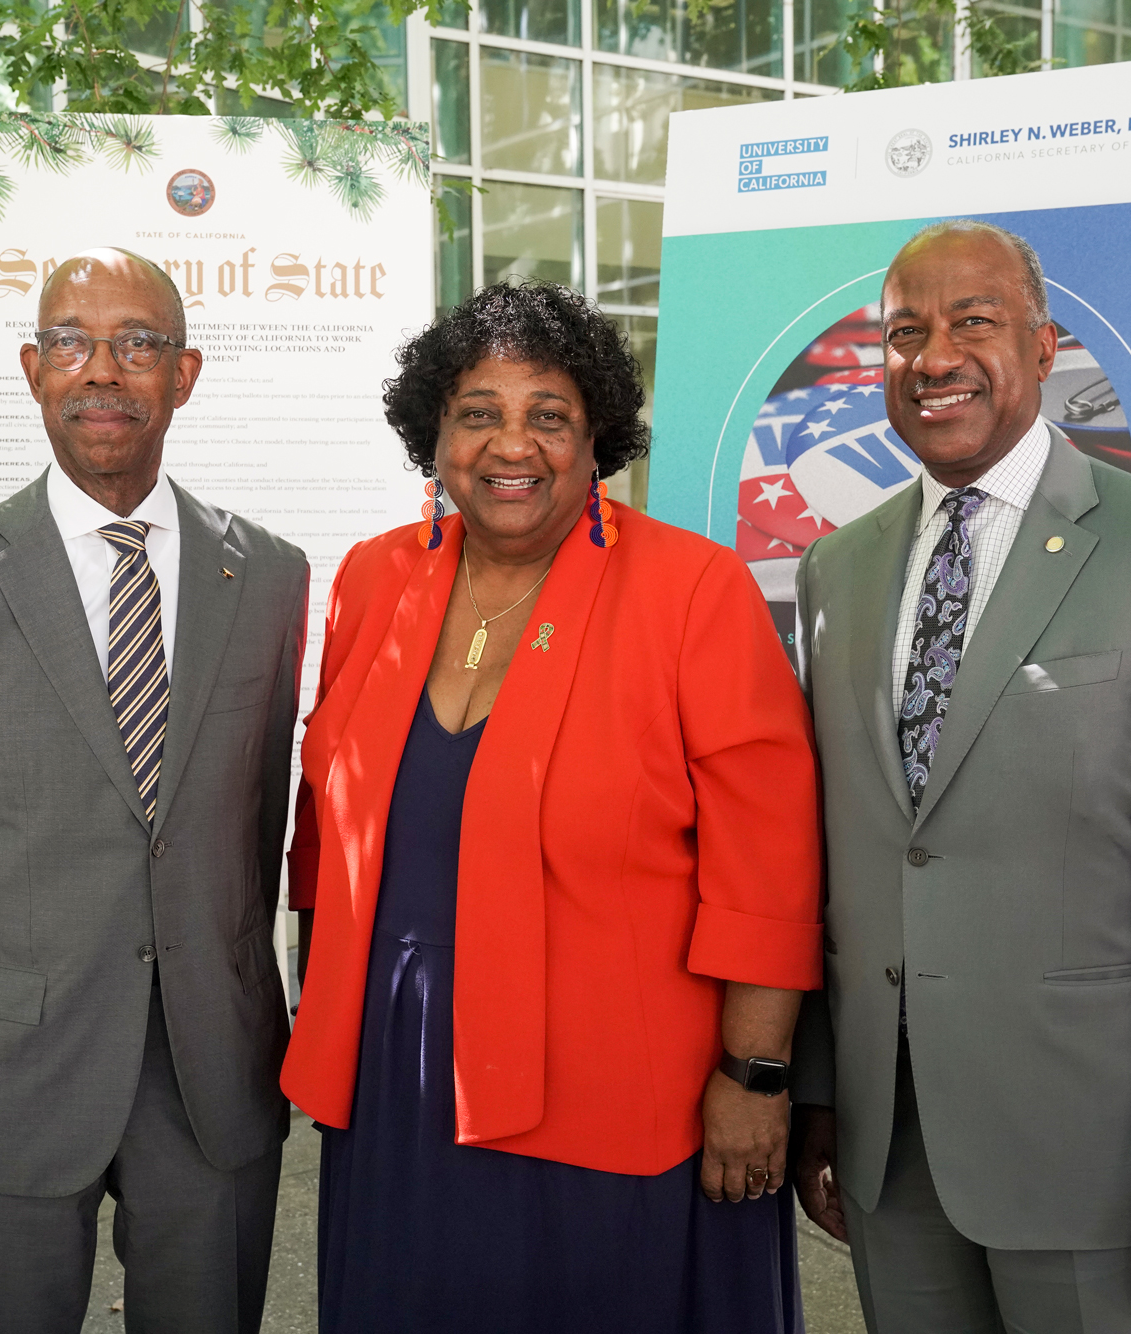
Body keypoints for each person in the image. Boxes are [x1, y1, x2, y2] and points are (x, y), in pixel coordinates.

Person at [279, 279, 823, 1333]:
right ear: (432, 434)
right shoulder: (371, 579)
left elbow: (768, 862)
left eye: (547, 415)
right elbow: (327, 827)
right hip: (401, 1082)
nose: (508, 443)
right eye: (477, 412)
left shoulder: (691, 592)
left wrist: (753, 1076)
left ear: (596, 437)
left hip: (619, 1096)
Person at [789, 220, 1131, 1333]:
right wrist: (818, 1086)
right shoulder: (836, 567)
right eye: (903, 332)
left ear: (1039, 343)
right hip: (891, 1146)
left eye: (971, 321)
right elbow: (838, 860)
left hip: (1096, 1160)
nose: (933, 357)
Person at [0, 248, 307, 1332]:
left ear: (182, 374)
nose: (104, 368)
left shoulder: (272, 574)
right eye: (71, 342)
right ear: (33, 368)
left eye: (137, 343)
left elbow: (256, 822)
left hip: (209, 1068)